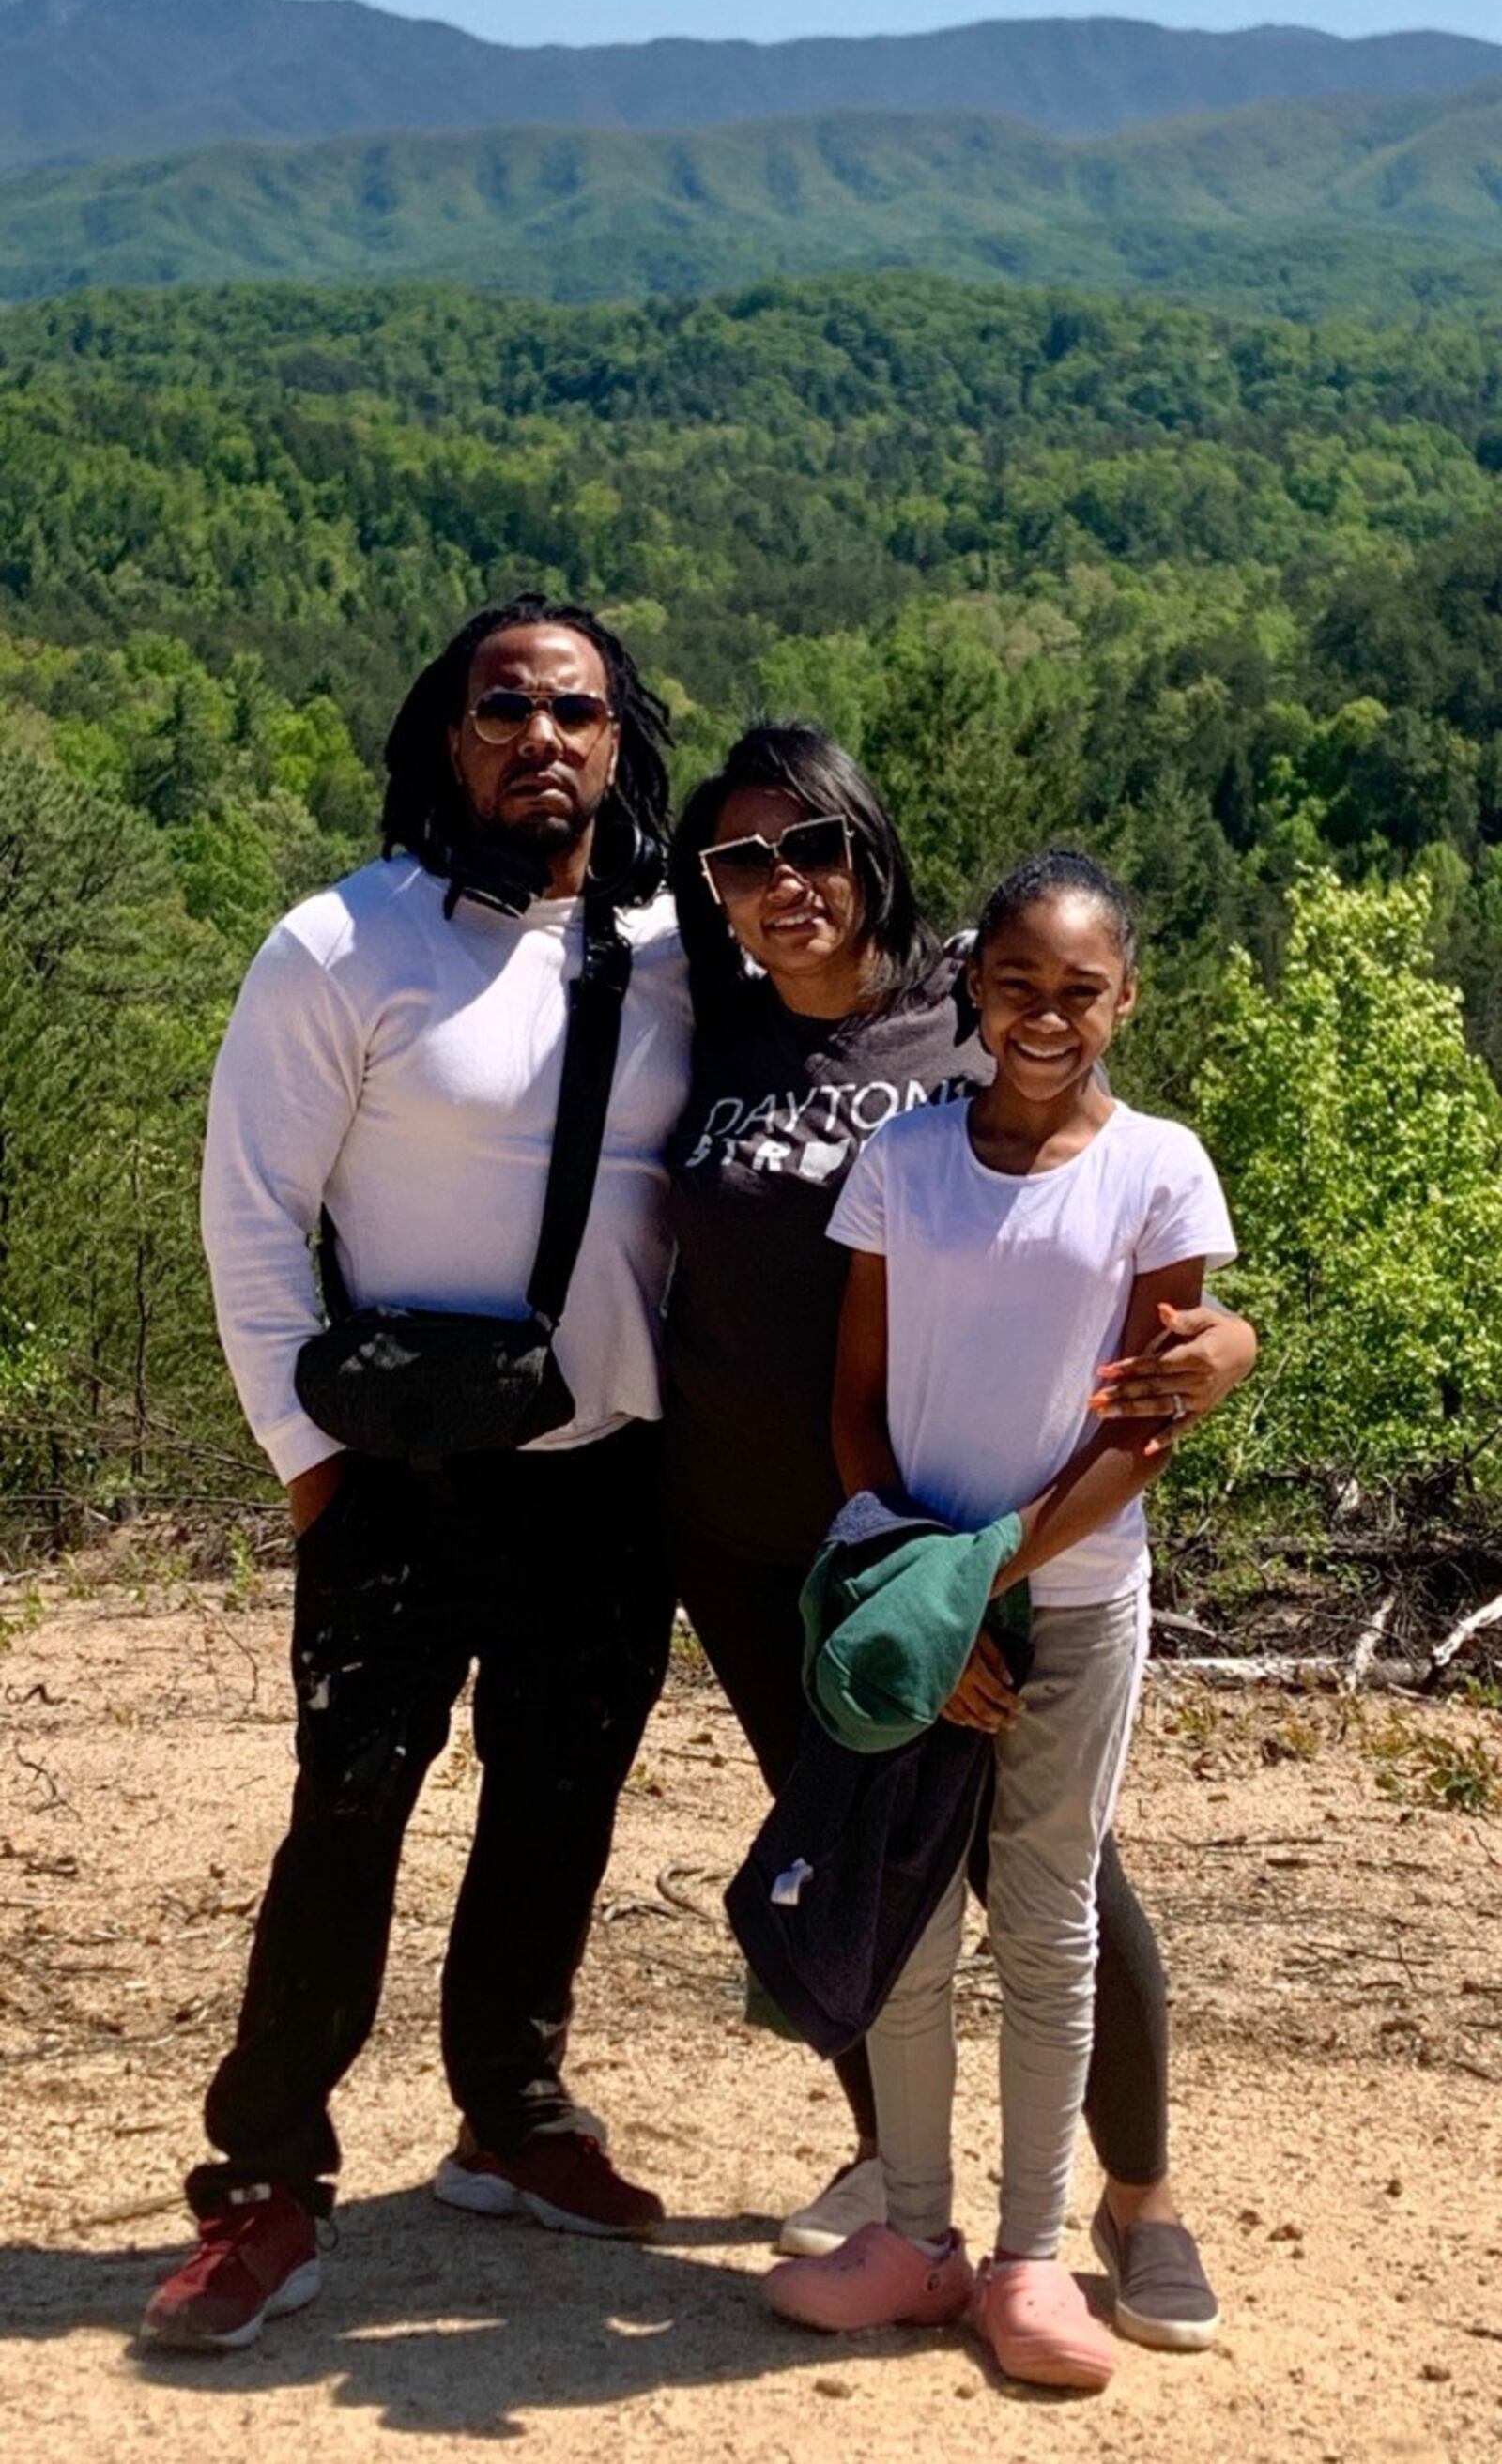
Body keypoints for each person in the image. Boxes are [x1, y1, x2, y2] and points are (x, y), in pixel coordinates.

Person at [142, 597, 693, 2353]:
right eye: (504, 709)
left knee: (559, 1805)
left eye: (577, 711)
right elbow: (248, 1216)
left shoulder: (686, 945)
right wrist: (310, 1465)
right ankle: (267, 2186)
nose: (544, 738)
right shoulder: (339, 946)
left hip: (607, 1469)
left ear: (621, 739)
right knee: (348, 1818)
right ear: (446, 740)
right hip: (394, 1472)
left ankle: (510, 2118)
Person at [665, 728, 1252, 2346]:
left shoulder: (1111, 1135)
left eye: (1079, 990)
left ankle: (1069, 2235)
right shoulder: (821, 1102)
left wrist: (972, 1584)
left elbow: (1158, 1381)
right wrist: (908, 1586)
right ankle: (912, 2224)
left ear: (1125, 995)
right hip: (866, 1577)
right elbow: (858, 1388)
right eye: (1017, 986)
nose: (1042, 1016)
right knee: (898, 1896)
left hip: (1033, 1585)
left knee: (1055, 1901)